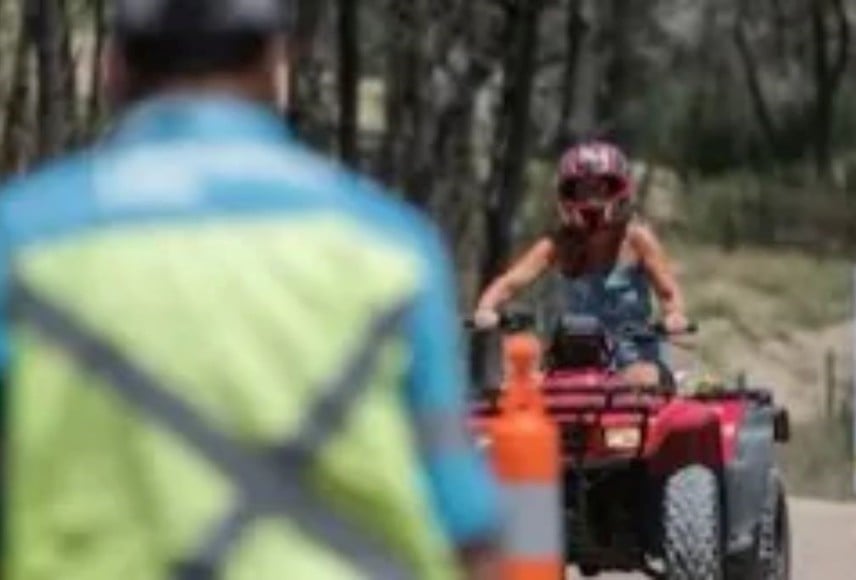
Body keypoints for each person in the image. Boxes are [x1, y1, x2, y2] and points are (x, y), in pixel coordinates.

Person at [1, 1, 501, 579]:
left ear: (113, 68)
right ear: (275, 64)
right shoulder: (388, 247)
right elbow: (464, 520)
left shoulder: (22, 242)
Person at [473, 140, 689, 386]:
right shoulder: (559, 243)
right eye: (582, 190)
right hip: (575, 360)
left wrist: (674, 316)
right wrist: (486, 307)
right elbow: (510, 282)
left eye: (600, 189)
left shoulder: (637, 238)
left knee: (641, 381)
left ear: (619, 190)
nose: (591, 200)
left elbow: (669, 293)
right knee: (520, 388)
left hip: (634, 358)